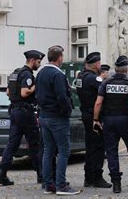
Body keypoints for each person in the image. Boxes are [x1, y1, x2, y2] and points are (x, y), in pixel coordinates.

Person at [93, 55, 128, 194]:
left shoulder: (106, 83)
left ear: (115, 69)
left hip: (109, 121)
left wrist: (95, 120)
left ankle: (116, 184)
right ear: (126, 70)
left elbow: (98, 103)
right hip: (124, 121)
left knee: (111, 151)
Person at [36, 45, 81, 195]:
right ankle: (61, 185)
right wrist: (67, 111)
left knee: (48, 151)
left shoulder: (40, 73)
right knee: (63, 150)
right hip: (57, 116)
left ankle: (48, 184)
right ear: (60, 58)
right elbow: (62, 96)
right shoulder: (58, 75)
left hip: (44, 115)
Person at [0, 50, 44, 186]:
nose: (39, 65)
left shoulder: (16, 73)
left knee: (12, 144)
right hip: (25, 112)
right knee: (35, 144)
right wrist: (36, 85)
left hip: (14, 111)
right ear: (33, 60)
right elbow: (24, 92)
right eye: (39, 62)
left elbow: (8, 92)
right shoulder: (27, 74)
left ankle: (2, 174)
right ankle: (41, 175)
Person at [75, 52, 111, 188]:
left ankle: (88, 177)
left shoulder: (80, 77)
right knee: (98, 147)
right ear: (96, 64)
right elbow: (106, 91)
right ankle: (97, 177)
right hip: (95, 116)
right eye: (99, 63)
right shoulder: (94, 79)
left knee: (90, 147)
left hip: (85, 114)